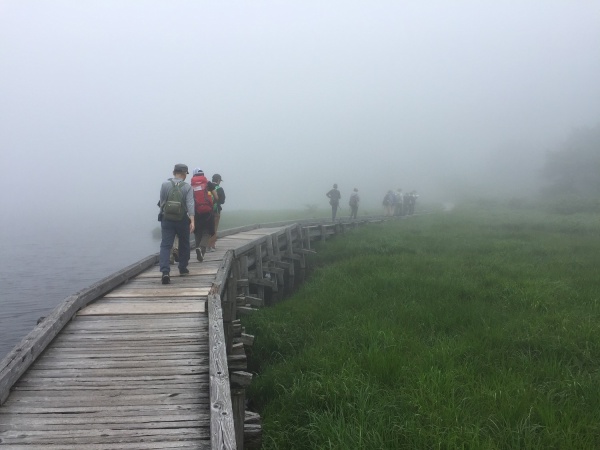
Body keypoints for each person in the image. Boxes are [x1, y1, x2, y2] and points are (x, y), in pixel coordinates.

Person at [158, 164, 195, 284]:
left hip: (167, 219)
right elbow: (190, 204)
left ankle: (165, 272)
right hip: (182, 219)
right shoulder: (187, 187)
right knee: (184, 243)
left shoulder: (165, 185)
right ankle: (183, 268)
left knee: (165, 245)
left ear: (174, 172)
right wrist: (192, 220)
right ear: (184, 174)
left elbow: (162, 201)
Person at [190, 168, 218, 262]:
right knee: (207, 232)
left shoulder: (191, 185)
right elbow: (216, 197)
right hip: (208, 211)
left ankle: (199, 249)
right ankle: (201, 249)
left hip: (196, 211)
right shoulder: (208, 183)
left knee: (197, 231)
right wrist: (211, 204)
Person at [207, 174, 225, 252]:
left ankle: (205, 245)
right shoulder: (219, 189)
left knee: (207, 228)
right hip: (216, 211)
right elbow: (222, 201)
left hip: (206, 211)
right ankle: (212, 246)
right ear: (218, 180)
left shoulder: (207, 187)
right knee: (214, 228)